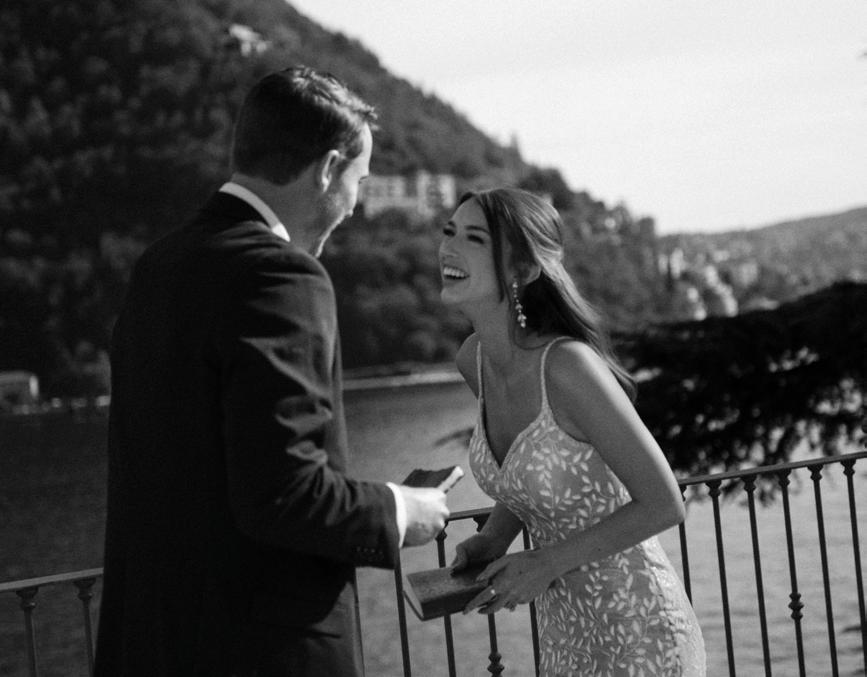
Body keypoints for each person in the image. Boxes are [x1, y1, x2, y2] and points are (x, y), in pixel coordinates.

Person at [94, 66, 450, 677]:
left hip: (153, 645)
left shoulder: (159, 264)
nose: (355, 207)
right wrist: (399, 511)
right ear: (328, 168)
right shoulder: (280, 275)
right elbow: (283, 493)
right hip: (263, 655)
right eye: (359, 180)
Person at [444, 188, 705, 676]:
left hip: (643, 635)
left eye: (474, 238)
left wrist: (545, 564)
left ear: (523, 270)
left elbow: (665, 503)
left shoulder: (568, 367)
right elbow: (530, 468)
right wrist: (494, 538)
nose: (449, 248)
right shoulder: (472, 360)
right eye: (449, 232)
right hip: (564, 637)